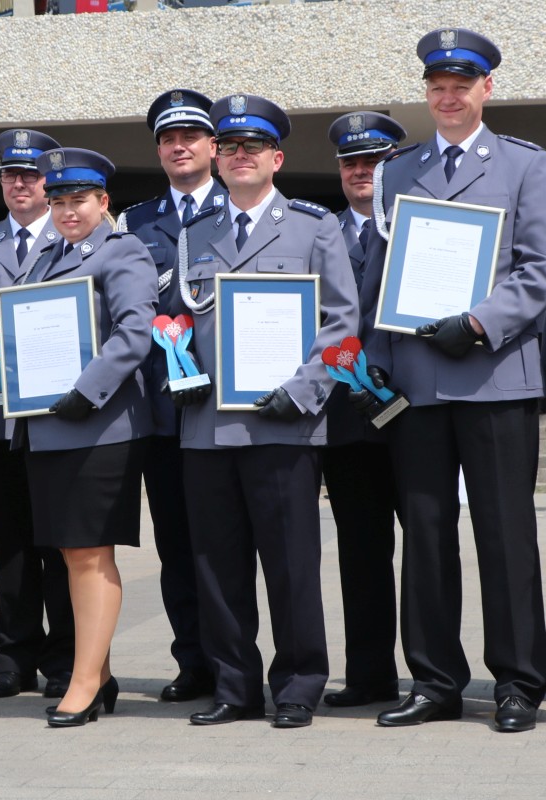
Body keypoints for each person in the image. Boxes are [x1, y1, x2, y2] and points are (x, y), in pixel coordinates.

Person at [362, 29, 546, 733]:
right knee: (424, 532)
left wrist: (480, 322)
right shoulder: (397, 169)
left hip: (495, 377)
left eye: (461, 85)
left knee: (506, 536)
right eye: (437, 86)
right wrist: (376, 357)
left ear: (486, 90)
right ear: (427, 92)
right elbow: (381, 275)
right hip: (417, 382)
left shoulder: (523, 164)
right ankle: (435, 680)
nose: (448, 97)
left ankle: (517, 681)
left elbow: (543, 268)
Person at [168, 94, 359, 730]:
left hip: (286, 423)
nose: (240, 156)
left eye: (253, 147)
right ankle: (235, 686)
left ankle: (301, 682)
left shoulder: (315, 226)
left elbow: (342, 326)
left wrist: (303, 390)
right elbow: (175, 323)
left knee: (291, 562)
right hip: (208, 428)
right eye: (230, 147)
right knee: (217, 567)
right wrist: (179, 366)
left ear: (277, 158)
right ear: (218, 160)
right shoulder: (195, 233)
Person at [21, 147, 156, 727]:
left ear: (104, 202)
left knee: (91, 554)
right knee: (70, 552)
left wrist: (88, 387)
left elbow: (136, 331)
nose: (67, 211)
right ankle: (98, 675)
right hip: (49, 427)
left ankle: (82, 682)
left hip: (100, 426)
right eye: (57, 201)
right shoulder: (43, 257)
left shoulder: (122, 251)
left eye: (78, 200)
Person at [114, 89, 227, 703]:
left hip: (227, 407)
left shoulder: (239, 203)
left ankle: (234, 659)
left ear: (213, 145)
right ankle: (195, 663)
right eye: (167, 139)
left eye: (189, 136)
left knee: (229, 542)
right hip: (163, 411)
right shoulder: (133, 223)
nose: (178, 146)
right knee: (177, 545)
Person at [0, 129, 74, 702]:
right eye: (10, 175)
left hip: (58, 417)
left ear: (49, 182)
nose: (21, 183)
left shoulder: (78, 235)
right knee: (12, 541)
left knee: (60, 541)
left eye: (30, 175)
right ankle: (14, 657)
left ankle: (66, 660)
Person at [320, 111, 405, 709]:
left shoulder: (423, 226)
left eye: (374, 161)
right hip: (347, 419)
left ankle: (432, 672)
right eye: (352, 162)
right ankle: (369, 673)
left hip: (415, 411)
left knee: (429, 548)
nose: (362, 172)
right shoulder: (321, 232)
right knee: (361, 551)